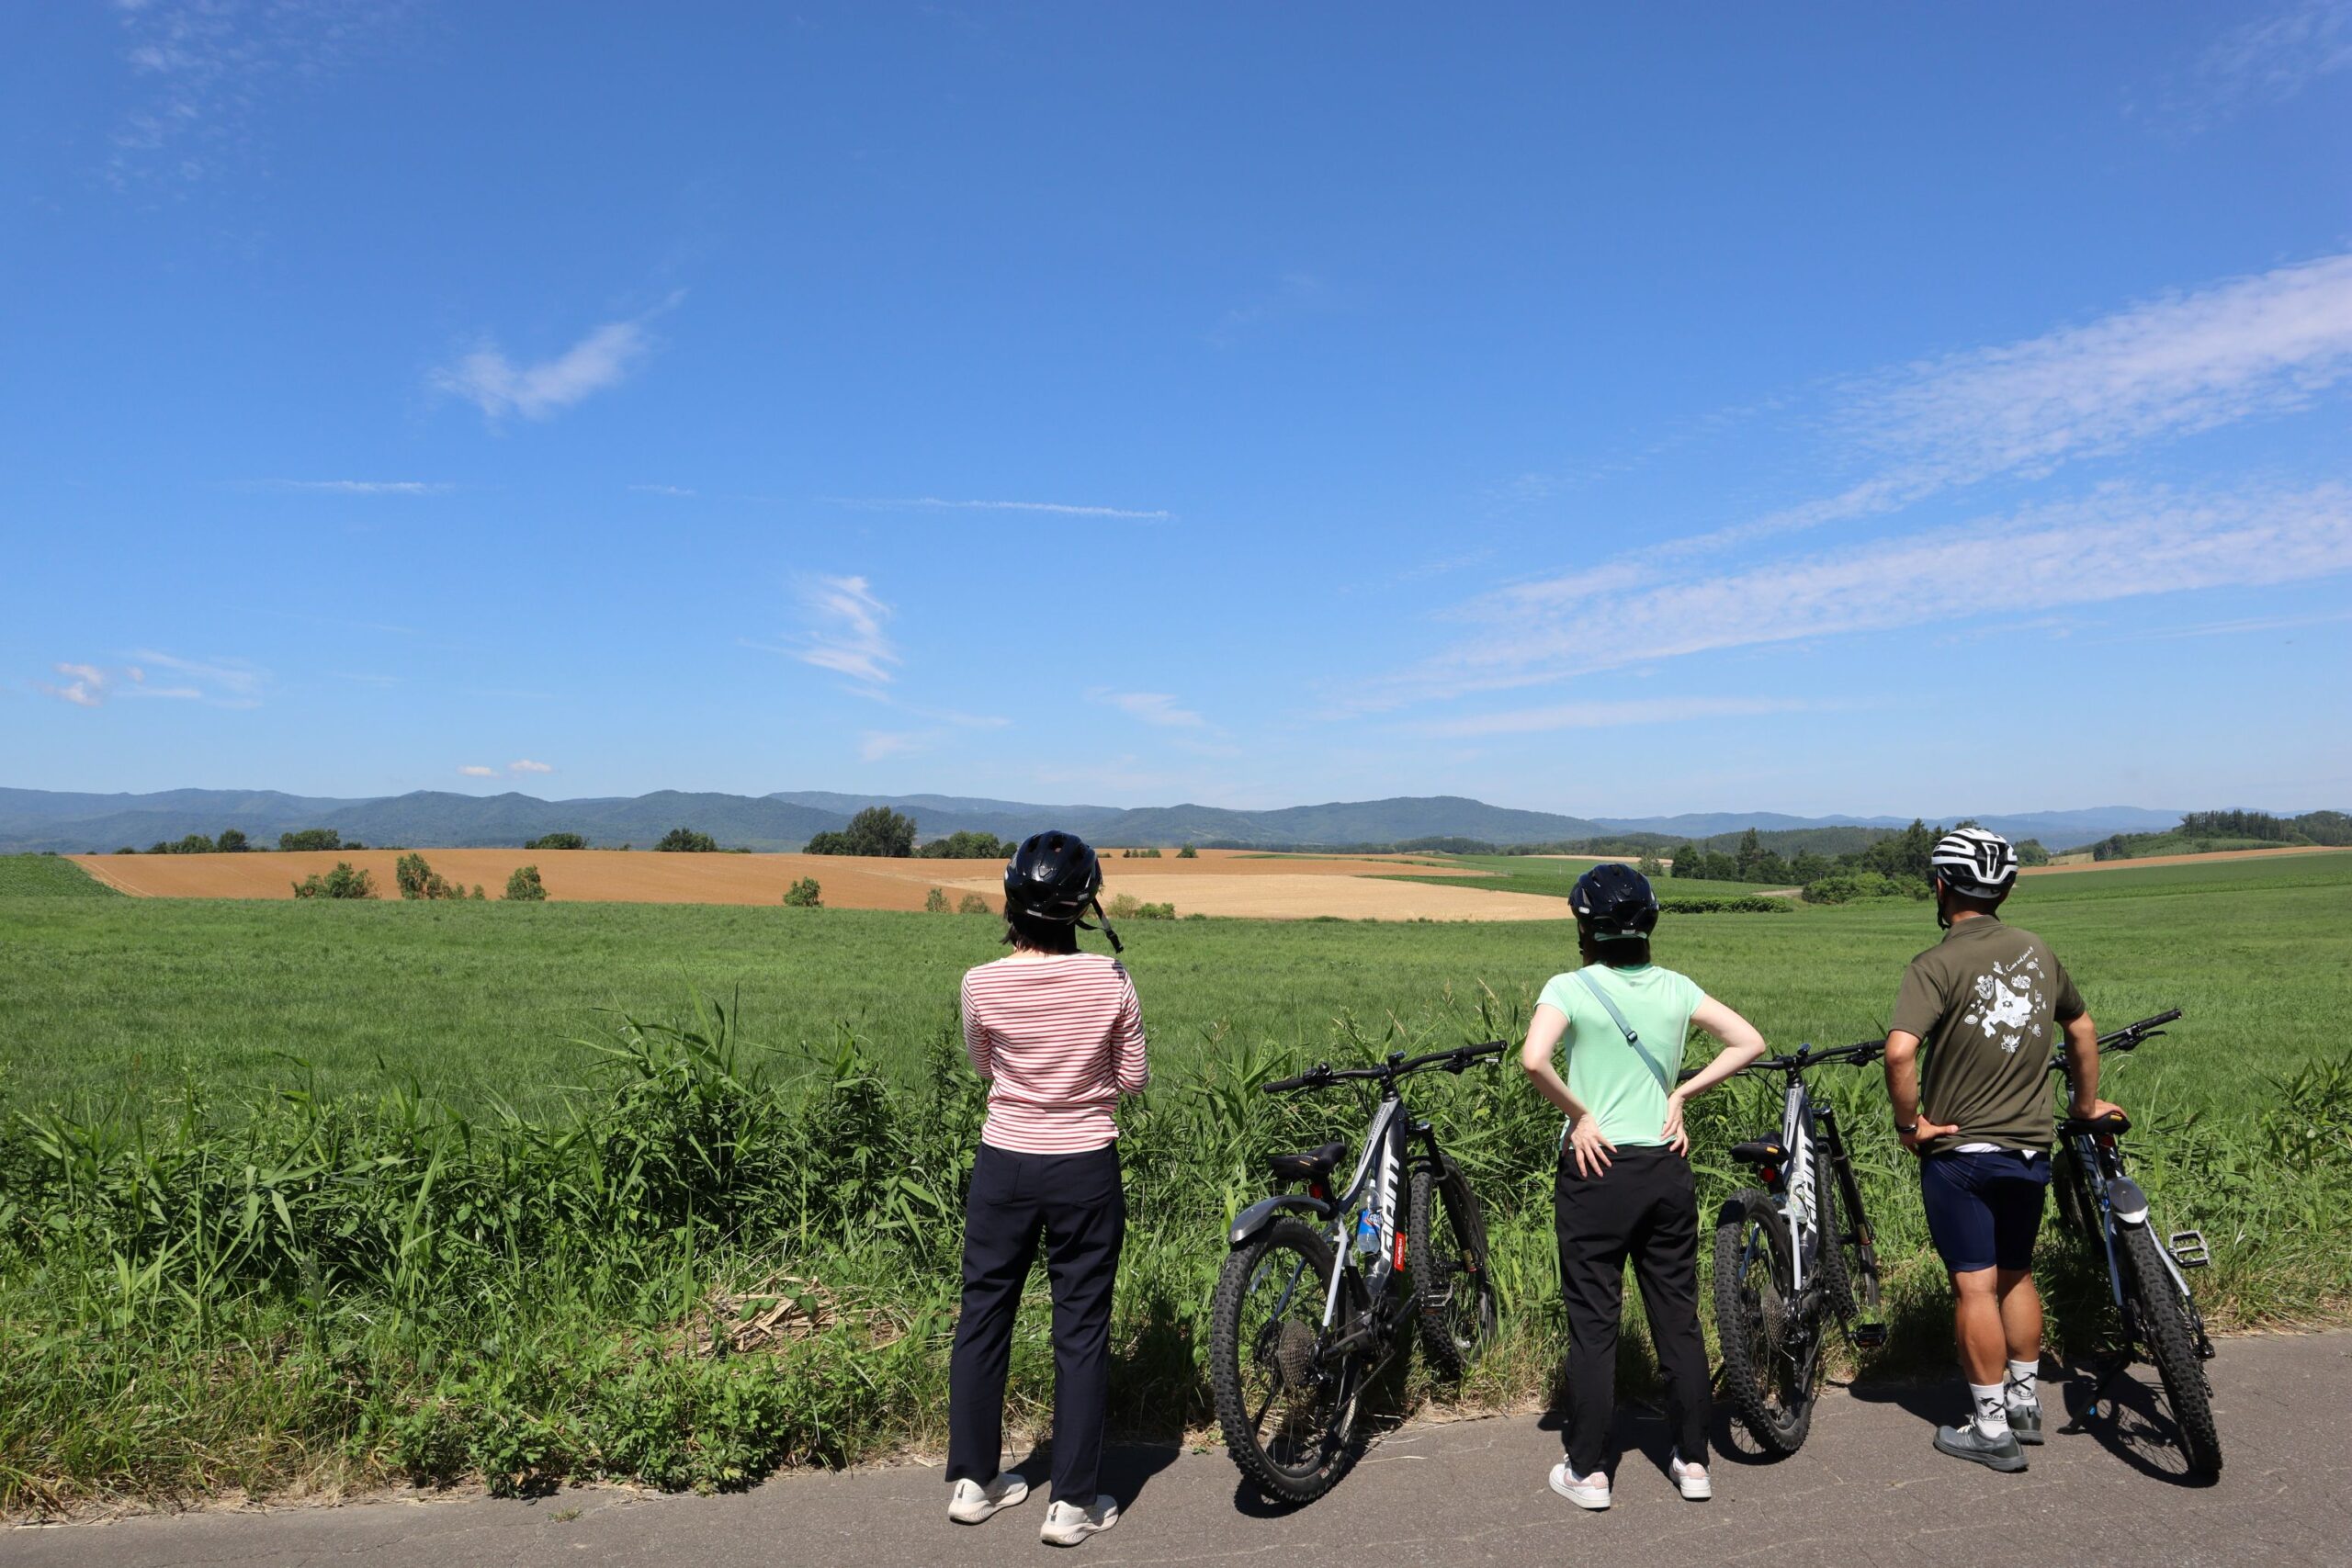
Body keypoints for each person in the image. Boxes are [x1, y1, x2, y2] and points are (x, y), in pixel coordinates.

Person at [1520, 863, 1769, 1511]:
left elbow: (1533, 1058)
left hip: (1595, 1169)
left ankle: (1590, 1471)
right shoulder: (1677, 988)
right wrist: (1681, 1090)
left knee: (1595, 1323)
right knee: (1677, 1319)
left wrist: (1579, 1114)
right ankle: (1693, 1462)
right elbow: (1749, 1040)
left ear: (1587, 927)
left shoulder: (1569, 986)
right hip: (1664, 1166)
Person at [1881, 828, 2120, 1472]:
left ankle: (1989, 1427)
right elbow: (2083, 1026)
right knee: (2016, 1271)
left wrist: (1912, 1127)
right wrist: (2084, 1106)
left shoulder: (1935, 963)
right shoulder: (2038, 952)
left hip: (1960, 1154)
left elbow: (1900, 1050)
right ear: (2006, 888)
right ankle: (2024, 1404)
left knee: (1974, 1286)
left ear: (1940, 887)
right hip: (2028, 1150)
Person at [945, 830, 1148, 1548]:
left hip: (1003, 1162)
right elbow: (1133, 1077)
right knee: (1082, 1329)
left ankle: (974, 1482)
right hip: (1084, 1166)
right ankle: (1072, 1503)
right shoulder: (1110, 979)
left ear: (1010, 900)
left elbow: (981, 1064)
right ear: (1083, 907)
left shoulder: (980, 982)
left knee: (984, 1313)